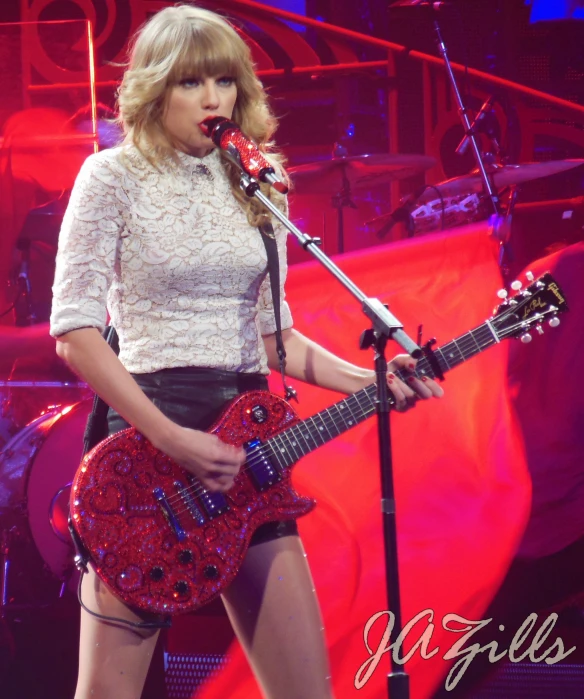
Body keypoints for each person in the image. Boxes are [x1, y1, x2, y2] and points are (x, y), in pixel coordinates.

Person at [49, 5, 444, 699]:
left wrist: (373, 378)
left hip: (248, 443)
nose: (211, 99)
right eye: (190, 82)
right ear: (154, 89)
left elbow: (276, 337)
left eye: (224, 81)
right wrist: (172, 436)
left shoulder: (260, 182)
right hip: (147, 445)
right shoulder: (110, 177)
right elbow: (75, 332)